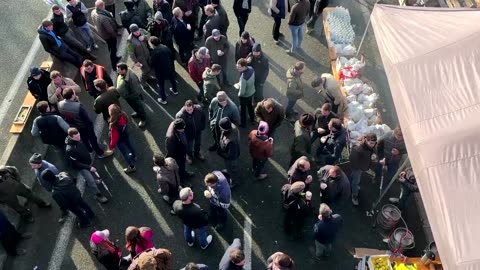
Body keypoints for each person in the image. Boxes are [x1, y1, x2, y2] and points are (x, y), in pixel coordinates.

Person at [58, 88, 112, 158]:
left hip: (74, 126)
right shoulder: (78, 106)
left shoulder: (59, 104)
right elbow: (86, 119)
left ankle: (89, 149)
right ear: (72, 95)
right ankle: (100, 153)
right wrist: (90, 125)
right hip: (84, 126)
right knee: (92, 139)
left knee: (84, 138)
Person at [65, 128, 110, 203]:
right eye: (76, 137)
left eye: (79, 135)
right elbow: (75, 163)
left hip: (86, 162)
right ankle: (98, 195)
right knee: (90, 180)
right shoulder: (70, 149)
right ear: (71, 137)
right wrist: (88, 167)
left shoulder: (78, 140)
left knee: (90, 176)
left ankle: (91, 181)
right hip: (81, 166)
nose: (79, 138)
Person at [28, 154, 69, 223]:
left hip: (56, 189)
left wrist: (54, 189)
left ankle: (65, 210)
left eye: (33, 165)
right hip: (51, 188)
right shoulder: (38, 167)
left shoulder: (51, 169)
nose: (32, 167)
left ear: (39, 163)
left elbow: (57, 179)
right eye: (31, 165)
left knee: (61, 200)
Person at [349, 133, 377, 206]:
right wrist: (359, 168)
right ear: (366, 140)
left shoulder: (371, 146)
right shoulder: (358, 148)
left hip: (363, 166)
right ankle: (354, 196)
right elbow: (352, 159)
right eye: (371, 143)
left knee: (354, 178)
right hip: (358, 168)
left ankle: (351, 184)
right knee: (356, 181)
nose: (373, 145)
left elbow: (372, 153)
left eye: (374, 143)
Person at [116, 63, 147, 127]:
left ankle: (143, 119)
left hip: (133, 97)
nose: (117, 71)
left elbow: (136, 89)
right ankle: (138, 113)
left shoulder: (131, 78)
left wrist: (134, 97)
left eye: (118, 70)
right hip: (128, 96)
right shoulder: (123, 74)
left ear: (124, 70)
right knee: (135, 107)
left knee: (139, 107)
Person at [108, 104, 137, 173]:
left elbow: (114, 139)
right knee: (129, 145)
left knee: (125, 153)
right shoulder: (124, 115)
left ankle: (131, 167)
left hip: (120, 141)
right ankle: (134, 155)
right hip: (125, 134)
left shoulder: (114, 126)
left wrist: (111, 146)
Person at [91, 0, 120, 68]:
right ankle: (114, 63)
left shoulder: (93, 12)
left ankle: (115, 57)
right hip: (109, 36)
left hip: (103, 34)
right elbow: (110, 30)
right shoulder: (103, 18)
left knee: (110, 48)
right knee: (113, 49)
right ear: (102, 6)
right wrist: (114, 35)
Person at [176, 100, 206, 164]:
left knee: (198, 144)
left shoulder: (199, 109)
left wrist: (202, 126)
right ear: (184, 107)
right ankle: (189, 156)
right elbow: (178, 126)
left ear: (193, 107)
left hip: (198, 131)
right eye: (187, 110)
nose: (189, 111)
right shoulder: (180, 115)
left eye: (190, 109)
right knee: (189, 147)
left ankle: (197, 153)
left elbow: (203, 118)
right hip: (188, 134)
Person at [149, 36, 177, 104]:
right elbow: (171, 56)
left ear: (152, 44)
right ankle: (175, 90)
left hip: (160, 71)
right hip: (169, 68)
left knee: (161, 85)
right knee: (172, 79)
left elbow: (152, 63)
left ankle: (163, 99)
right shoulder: (165, 47)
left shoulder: (154, 52)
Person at [166, 118, 195, 184]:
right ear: (176, 128)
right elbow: (170, 150)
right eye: (182, 129)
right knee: (179, 168)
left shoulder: (179, 128)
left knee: (182, 166)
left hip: (182, 152)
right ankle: (182, 181)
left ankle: (184, 173)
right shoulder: (171, 138)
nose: (183, 129)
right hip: (177, 155)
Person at [217, 117, 241, 188]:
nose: (220, 129)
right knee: (228, 166)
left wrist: (220, 153)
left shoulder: (232, 142)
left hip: (231, 158)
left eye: (221, 128)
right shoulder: (230, 126)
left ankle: (234, 181)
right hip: (227, 153)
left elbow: (231, 156)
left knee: (233, 169)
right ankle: (228, 170)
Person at [235, 59, 256, 127]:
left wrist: (239, 95)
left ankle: (243, 123)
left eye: (239, 67)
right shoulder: (251, 69)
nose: (237, 68)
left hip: (245, 96)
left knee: (243, 110)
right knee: (250, 106)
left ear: (244, 66)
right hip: (251, 92)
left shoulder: (243, 78)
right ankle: (252, 119)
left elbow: (242, 91)